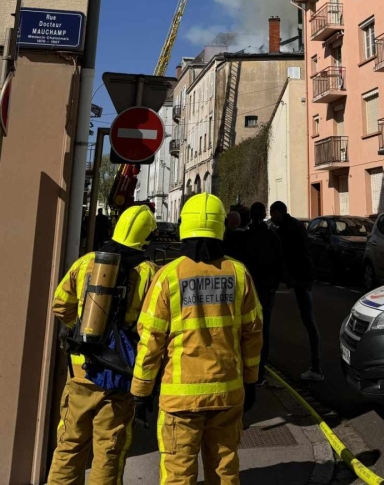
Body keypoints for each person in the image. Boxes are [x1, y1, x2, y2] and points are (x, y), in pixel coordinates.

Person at [131, 192, 263, 485]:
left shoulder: (168, 276)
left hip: (180, 399)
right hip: (227, 394)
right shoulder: (239, 274)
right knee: (224, 471)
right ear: (221, 228)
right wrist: (251, 380)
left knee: (178, 476)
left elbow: (151, 339)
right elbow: (252, 333)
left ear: (183, 227)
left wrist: (141, 391)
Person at [48, 204, 158, 485]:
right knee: (108, 451)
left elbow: (60, 305)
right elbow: (156, 327)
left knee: (69, 444)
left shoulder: (86, 263)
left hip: (81, 370)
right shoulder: (148, 273)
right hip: (118, 375)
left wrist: (84, 332)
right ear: (146, 238)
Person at [270, 200, 323, 381]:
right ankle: (316, 367)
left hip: (301, 278)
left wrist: (290, 279)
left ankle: (317, 368)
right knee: (309, 320)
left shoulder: (286, 229)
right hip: (305, 276)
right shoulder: (295, 226)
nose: (271, 217)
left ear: (279, 212)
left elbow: (286, 255)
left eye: (272, 213)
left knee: (309, 321)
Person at [243, 202, 283, 383]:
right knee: (263, 329)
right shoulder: (272, 237)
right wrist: (275, 284)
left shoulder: (246, 237)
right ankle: (260, 372)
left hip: (248, 289)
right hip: (266, 288)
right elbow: (279, 263)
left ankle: (247, 369)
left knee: (246, 327)